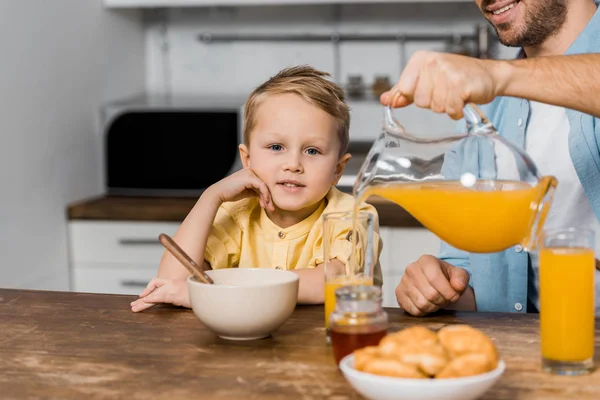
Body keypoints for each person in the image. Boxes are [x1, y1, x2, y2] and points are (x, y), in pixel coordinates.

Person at [381, 0, 600, 316]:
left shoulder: (496, 79)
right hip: (519, 353)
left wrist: (498, 74)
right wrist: (441, 287)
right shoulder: (484, 111)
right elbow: (468, 275)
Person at [131, 65, 380, 313]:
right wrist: (210, 197)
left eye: (312, 151)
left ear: (338, 169)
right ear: (247, 159)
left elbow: (335, 279)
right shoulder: (236, 213)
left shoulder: (354, 215)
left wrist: (226, 291)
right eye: (276, 147)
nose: (293, 164)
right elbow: (172, 282)